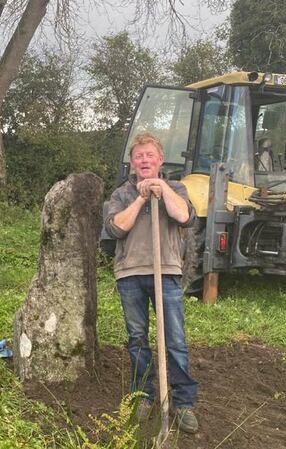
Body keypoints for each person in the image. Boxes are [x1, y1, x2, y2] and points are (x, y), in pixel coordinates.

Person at [103, 131, 199, 433]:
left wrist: (160, 190)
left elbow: (184, 217)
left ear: (159, 160)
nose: (144, 160)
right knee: (137, 340)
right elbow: (117, 228)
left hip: (167, 272)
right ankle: (144, 396)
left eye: (150, 155)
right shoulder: (121, 195)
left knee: (175, 340)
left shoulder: (176, 188)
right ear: (132, 162)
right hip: (130, 274)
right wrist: (143, 196)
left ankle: (182, 403)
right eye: (139, 156)